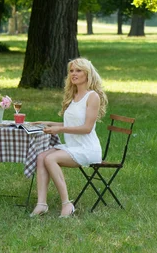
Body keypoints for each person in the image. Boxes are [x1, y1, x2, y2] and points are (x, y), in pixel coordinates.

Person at [29, 57, 108, 218]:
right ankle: (41, 204)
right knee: (41, 157)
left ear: (88, 74)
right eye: (71, 71)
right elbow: (70, 122)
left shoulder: (92, 96)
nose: (74, 74)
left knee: (51, 159)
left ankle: (67, 204)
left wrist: (60, 129)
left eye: (78, 70)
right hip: (73, 147)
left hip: (88, 149)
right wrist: (48, 123)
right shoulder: (74, 95)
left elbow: (86, 128)